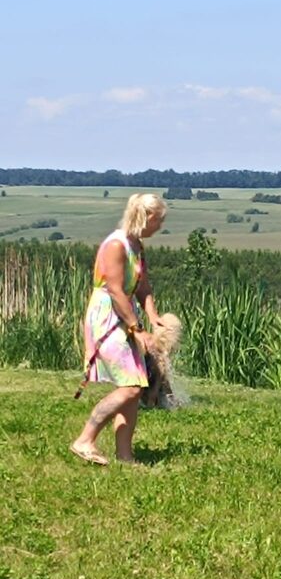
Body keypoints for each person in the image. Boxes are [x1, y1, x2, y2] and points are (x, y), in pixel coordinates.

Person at [70, 193, 167, 465]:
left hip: (125, 315)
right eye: (158, 220)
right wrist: (137, 330)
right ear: (145, 217)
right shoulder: (116, 245)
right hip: (108, 317)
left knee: (132, 389)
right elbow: (115, 291)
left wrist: (153, 315)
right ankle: (85, 439)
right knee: (132, 387)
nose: (160, 226)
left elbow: (142, 286)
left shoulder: (137, 245)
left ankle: (125, 457)